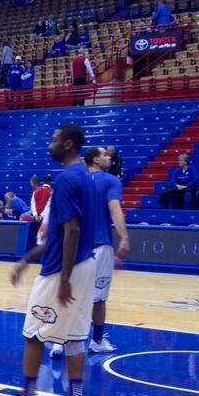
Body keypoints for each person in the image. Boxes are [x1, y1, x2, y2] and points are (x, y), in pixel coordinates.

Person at [0, 123, 95, 396]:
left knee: (33, 334)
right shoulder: (86, 177)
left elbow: (71, 232)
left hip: (62, 268)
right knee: (74, 337)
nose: (49, 145)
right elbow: (64, 234)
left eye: (54, 140)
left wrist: (63, 279)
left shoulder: (66, 180)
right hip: (86, 263)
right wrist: (27, 259)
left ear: (68, 144)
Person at [80, 147, 129, 352]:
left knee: (71, 294)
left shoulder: (76, 180)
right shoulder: (110, 180)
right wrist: (124, 237)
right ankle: (97, 341)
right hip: (100, 245)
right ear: (95, 160)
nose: (109, 157)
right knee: (98, 298)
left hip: (76, 245)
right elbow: (115, 208)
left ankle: (58, 341)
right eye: (104, 155)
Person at [30, 175, 52, 245]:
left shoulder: (36, 191)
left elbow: (32, 203)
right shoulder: (51, 192)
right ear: (50, 182)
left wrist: (35, 215)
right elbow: (48, 205)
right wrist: (42, 216)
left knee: (37, 236)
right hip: (45, 218)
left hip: (36, 217)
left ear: (43, 181)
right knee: (44, 237)